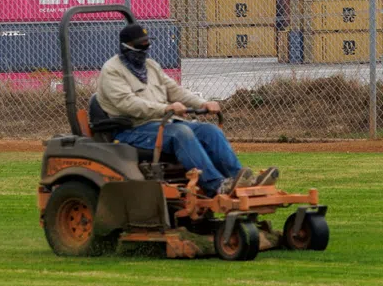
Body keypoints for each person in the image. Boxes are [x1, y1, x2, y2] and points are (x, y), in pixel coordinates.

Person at [96, 22, 277, 196]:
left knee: (209, 130)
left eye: (147, 45)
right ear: (126, 46)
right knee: (180, 133)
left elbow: (174, 91)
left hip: (162, 123)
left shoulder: (150, 66)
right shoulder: (112, 71)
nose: (145, 50)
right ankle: (216, 185)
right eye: (140, 46)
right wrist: (166, 108)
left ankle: (240, 179)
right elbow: (127, 104)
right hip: (131, 129)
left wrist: (202, 103)